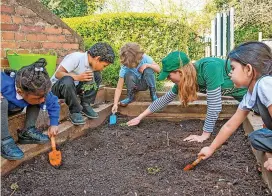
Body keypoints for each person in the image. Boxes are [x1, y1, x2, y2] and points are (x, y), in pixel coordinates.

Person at [127, 51, 247, 142]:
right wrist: (140, 117)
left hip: (254, 94)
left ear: (179, 72)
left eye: (169, 76)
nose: (169, 79)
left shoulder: (209, 67)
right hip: (246, 101)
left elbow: (214, 106)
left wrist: (204, 135)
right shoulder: (184, 80)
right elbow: (164, 100)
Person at [198, 41, 272, 172]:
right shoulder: (250, 93)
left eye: (233, 68)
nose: (229, 73)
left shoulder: (265, 85)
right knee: (257, 137)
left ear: (248, 69)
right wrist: (210, 148)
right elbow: (230, 125)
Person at [1, 58, 60, 160]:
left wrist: (54, 124)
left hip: (15, 107)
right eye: (38, 97)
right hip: (3, 108)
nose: (42, 100)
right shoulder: (4, 82)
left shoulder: (39, 91)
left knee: (37, 101)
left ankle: (28, 132)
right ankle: (4, 140)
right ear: (20, 91)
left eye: (44, 96)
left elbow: (53, 104)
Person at [51, 42, 115, 125]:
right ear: (97, 59)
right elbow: (58, 74)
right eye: (104, 66)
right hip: (58, 88)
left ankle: (85, 104)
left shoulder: (92, 65)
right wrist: (77, 77)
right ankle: (75, 111)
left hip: (73, 88)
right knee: (67, 80)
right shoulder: (76, 58)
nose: (104, 68)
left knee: (97, 75)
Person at [111, 43, 160, 114]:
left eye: (132, 64)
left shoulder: (145, 58)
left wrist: (147, 65)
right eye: (128, 65)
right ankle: (130, 97)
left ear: (137, 58)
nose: (130, 66)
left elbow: (158, 69)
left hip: (144, 84)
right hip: (134, 87)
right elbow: (119, 88)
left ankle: (153, 94)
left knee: (148, 70)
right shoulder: (125, 67)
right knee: (128, 74)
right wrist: (115, 104)